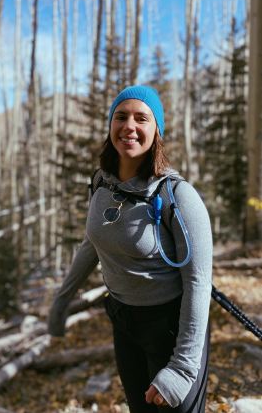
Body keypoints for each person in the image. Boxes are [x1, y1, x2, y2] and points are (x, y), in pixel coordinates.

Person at [48, 85, 212, 413]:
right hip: (123, 321)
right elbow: (91, 244)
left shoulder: (178, 196)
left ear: (156, 131)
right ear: (110, 126)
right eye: (120, 117)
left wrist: (182, 367)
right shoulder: (101, 183)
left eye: (142, 118)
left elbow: (198, 283)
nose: (129, 126)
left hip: (170, 326)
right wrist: (62, 301)